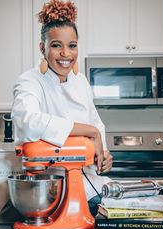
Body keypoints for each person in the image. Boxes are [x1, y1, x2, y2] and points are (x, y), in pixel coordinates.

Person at [11, 0, 113, 215]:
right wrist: (89, 132)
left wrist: (103, 155)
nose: (66, 54)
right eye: (56, 45)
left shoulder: (81, 81)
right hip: (50, 189)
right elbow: (28, 122)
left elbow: (96, 124)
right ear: (43, 48)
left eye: (72, 45)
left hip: (92, 183)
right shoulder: (30, 81)